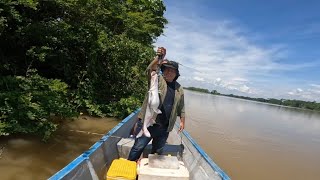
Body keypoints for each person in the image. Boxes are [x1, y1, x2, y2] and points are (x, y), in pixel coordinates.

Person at [128, 47, 185, 161]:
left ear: (176, 74)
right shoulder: (157, 80)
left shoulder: (179, 89)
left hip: (165, 127)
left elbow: (181, 107)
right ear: (163, 71)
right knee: (137, 147)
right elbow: (151, 70)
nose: (169, 72)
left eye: (172, 70)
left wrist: (183, 121)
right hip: (148, 123)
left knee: (158, 151)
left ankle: (150, 168)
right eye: (167, 69)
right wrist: (159, 58)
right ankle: (130, 164)